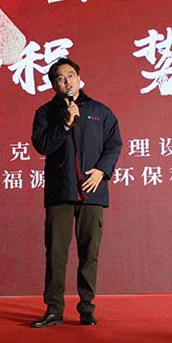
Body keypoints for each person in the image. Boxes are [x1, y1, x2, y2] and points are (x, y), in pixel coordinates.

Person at [30, 57, 122, 328]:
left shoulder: (100, 111)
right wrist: (66, 124)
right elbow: (43, 146)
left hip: (92, 192)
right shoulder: (45, 113)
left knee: (89, 253)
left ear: (79, 78)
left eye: (70, 75)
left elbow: (114, 144)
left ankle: (86, 308)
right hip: (60, 191)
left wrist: (101, 171)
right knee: (55, 254)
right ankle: (54, 310)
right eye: (60, 78)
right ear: (54, 84)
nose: (67, 81)